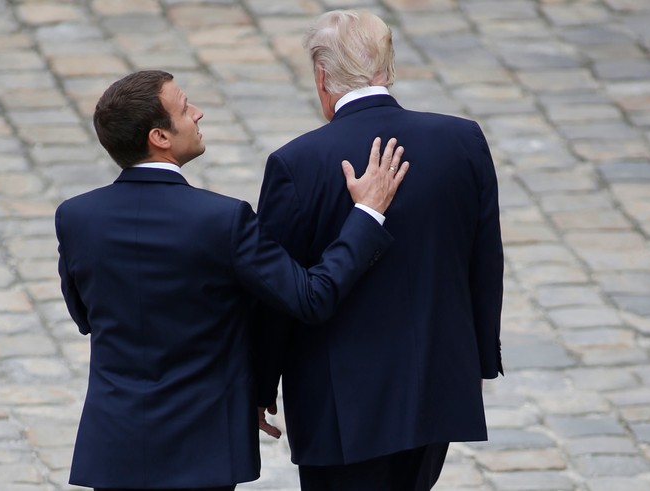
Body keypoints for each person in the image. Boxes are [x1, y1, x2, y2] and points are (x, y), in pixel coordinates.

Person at [54, 69, 409, 491]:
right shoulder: (223, 220)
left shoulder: (76, 217)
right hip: (202, 450)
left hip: (116, 447)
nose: (198, 114)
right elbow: (312, 298)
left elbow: (85, 315)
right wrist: (366, 215)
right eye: (185, 108)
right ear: (160, 137)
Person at [251, 10, 504, 491]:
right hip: (436, 386)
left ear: (322, 76)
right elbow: (485, 263)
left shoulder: (296, 164)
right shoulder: (462, 141)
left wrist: (260, 384)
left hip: (341, 406)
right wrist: (477, 362)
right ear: (387, 67)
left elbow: (275, 294)